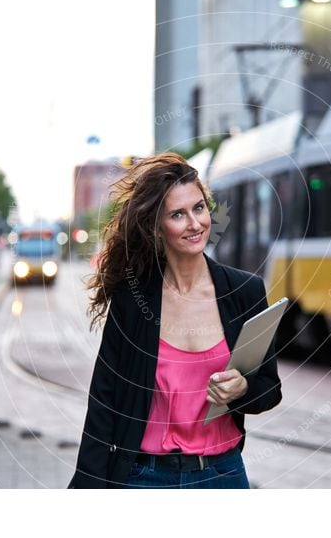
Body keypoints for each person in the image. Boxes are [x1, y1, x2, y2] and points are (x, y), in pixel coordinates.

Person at [68, 152, 282, 489]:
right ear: (156, 227)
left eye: (199, 208)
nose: (195, 224)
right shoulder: (133, 299)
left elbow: (269, 390)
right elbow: (104, 401)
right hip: (145, 478)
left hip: (223, 476)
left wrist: (242, 389)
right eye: (178, 215)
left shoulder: (245, 291)